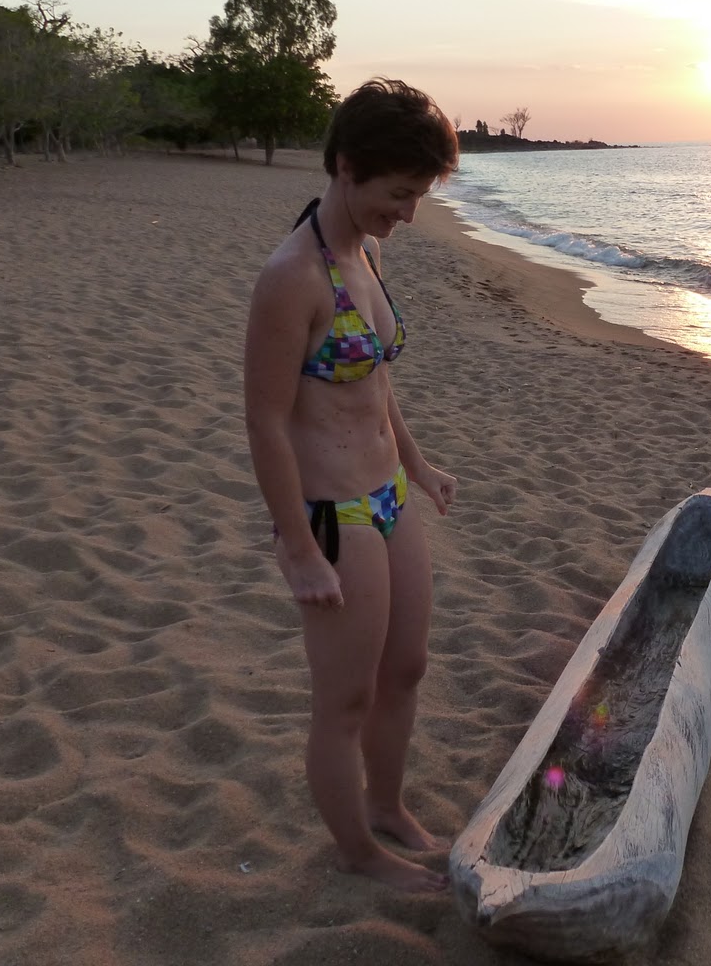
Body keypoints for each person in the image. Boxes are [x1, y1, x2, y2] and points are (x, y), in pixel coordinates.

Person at [243, 79, 459, 893]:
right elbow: (266, 422)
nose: (408, 213)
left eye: (419, 195)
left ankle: (386, 807)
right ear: (345, 167)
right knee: (345, 699)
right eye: (398, 194)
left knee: (406, 669)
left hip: (389, 493)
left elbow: (372, 381)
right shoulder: (292, 277)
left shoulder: (365, 252)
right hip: (333, 512)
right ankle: (358, 854)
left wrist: (417, 463)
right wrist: (298, 548)